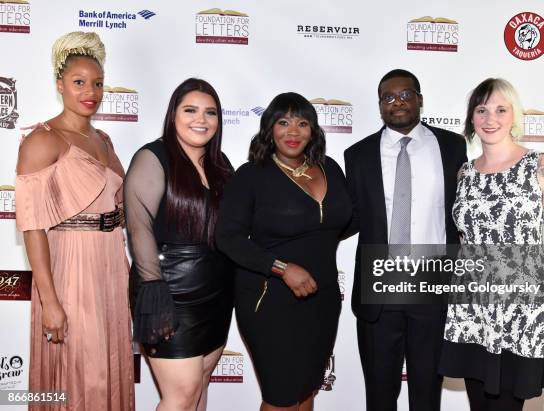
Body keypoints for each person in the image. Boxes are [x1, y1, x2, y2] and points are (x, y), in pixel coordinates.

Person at [438, 78, 544, 411]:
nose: (490, 118)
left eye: (500, 109)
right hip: (472, 312)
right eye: (481, 110)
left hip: (522, 314)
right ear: (471, 119)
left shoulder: (542, 167)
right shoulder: (464, 175)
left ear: (515, 117)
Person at [15, 31, 134, 410]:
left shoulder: (105, 140)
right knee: (78, 372)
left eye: (97, 83)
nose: (90, 91)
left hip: (112, 266)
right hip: (72, 268)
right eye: (79, 82)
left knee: (109, 365)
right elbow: (32, 226)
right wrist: (49, 300)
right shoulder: (41, 141)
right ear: (59, 85)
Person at [215, 92, 352, 411]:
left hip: (323, 300)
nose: (293, 132)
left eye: (302, 123)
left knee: (306, 393)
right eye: (283, 122)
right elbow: (229, 238)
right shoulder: (251, 175)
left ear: (313, 130)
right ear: (269, 128)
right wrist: (281, 267)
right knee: (281, 398)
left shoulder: (329, 168)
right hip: (270, 300)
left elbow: (343, 219)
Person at [344, 69, 467, 411]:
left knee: (427, 395)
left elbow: (464, 213)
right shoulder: (358, 156)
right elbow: (346, 216)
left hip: (432, 287)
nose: (397, 102)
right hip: (379, 289)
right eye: (388, 97)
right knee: (380, 396)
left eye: (405, 95)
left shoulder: (453, 147)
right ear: (380, 105)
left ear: (420, 99)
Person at [125, 78, 234, 411]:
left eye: (210, 112)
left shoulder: (221, 164)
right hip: (169, 292)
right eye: (190, 110)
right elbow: (139, 228)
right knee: (181, 394)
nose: (200, 119)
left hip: (216, 292)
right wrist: (155, 289)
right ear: (173, 114)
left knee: (199, 387)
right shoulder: (152, 157)